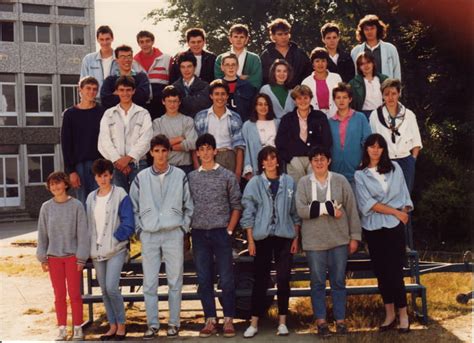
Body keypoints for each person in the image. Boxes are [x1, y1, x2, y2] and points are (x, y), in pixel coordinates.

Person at [129, 135, 194, 340]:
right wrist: (140, 230)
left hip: (173, 233)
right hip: (149, 235)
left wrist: (183, 228)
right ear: (151, 153)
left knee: (175, 280)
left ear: (169, 152)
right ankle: (153, 324)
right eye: (156, 151)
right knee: (150, 282)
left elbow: (188, 205)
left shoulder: (179, 175)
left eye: (164, 151)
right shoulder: (141, 177)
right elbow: (133, 207)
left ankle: (174, 323)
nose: (160, 155)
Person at [295, 146, 361, 336]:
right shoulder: (304, 183)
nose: (319, 162)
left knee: (338, 281)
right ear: (310, 162)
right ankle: (321, 322)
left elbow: (351, 209)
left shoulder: (340, 181)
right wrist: (328, 209)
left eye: (322, 158)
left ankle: (340, 321)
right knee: (317, 282)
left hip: (339, 240)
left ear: (329, 161)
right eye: (315, 159)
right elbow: (301, 211)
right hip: (314, 242)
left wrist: (355, 236)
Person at [354, 133, 413, 334]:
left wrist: (401, 214)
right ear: (366, 149)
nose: (375, 150)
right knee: (381, 272)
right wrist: (394, 211)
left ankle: (403, 315)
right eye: (371, 146)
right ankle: (389, 315)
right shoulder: (360, 174)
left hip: (394, 227)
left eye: (379, 147)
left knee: (396, 272)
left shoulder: (395, 168)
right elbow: (367, 204)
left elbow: (404, 195)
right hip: (373, 228)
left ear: (384, 149)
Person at [241, 146, 301, 338]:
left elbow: (295, 213)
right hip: (262, 237)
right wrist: (250, 240)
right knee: (260, 279)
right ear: (261, 163)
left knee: (283, 279)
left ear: (277, 161)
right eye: (265, 159)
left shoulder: (289, 182)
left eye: (272, 158)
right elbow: (248, 213)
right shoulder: (255, 183)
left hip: (284, 236)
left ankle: (282, 322)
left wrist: (295, 237)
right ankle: (254, 322)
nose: (269, 162)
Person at [188, 133, 242, 338]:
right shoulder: (192, 178)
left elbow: (236, 205)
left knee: (227, 278)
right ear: (198, 153)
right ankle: (210, 319)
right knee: (203, 279)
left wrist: (229, 230)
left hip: (221, 232)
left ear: (215, 151)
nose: (205, 152)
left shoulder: (227, 176)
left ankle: (228, 319)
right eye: (201, 149)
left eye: (209, 148)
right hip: (199, 233)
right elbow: (187, 205)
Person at [36, 171, 90, 341]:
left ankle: (77, 327)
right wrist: (42, 257)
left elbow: (83, 234)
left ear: (66, 184)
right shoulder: (46, 207)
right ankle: (61, 328)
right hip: (53, 258)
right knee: (59, 295)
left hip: (72, 257)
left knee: (74, 294)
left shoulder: (77, 206)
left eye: (58, 183)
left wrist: (82, 257)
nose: (55, 187)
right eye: (52, 184)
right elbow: (42, 235)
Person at [85, 159, 134, 341]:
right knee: (104, 289)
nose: (103, 179)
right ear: (95, 177)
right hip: (96, 250)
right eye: (99, 176)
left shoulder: (120, 194)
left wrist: (115, 239)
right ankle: (112, 326)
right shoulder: (90, 198)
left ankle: (121, 325)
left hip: (116, 249)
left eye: (106, 175)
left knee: (112, 287)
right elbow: (88, 224)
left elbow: (129, 222)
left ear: (111, 175)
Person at [98, 75, 153, 193]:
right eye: (121, 90)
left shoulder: (143, 113)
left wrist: (128, 159)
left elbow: (146, 139)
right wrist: (118, 160)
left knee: (139, 200)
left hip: (138, 164)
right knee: (119, 201)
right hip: (114, 165)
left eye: (128, 90)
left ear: (134, 91)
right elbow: (104, 140)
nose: (125, 93)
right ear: (116, 92)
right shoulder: (109, 114)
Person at [368, 78, 422, 193]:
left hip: (406, 161)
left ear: (399, 94)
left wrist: (412, 160)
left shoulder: (409, 114)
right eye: (387, 94)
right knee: (387, 196)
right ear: (382, 96)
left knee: (405, 197)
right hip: (385, 161)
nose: (390, 97)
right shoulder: (375, 115)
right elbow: (373, 142)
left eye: (393, 93)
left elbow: (416, 141)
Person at [275, 85, 332, 184]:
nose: (303, 101)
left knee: (315, 187)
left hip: (315, 159)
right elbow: (280, 142)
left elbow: (327, 140)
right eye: (299, 98)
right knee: (297, 190)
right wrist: (290, 159)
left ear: (310, 99)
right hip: (294, 160)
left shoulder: (320, 117)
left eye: (305, 98)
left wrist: (319, 158)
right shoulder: (287, 119)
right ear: (294, 101)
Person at [61, 76, 104, 206]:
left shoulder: (102, 111)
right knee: (83, 204)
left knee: (99, 202)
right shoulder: (70, 114)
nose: (91, 92)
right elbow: (66, 144)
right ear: (80, 89)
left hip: (99, 164)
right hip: (79, 166)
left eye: (95, 89)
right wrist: (71, 171)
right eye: (88, 88)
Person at [194, 80, 245, 179]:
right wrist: (197, 167)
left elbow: (240, 147)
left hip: (228, 157)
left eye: (223, 94)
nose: (220, 97)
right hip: (207, 157)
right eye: (216, 94)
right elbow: (194, 146)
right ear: (211, 96)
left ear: (227, 96)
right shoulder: (201, 117)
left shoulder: (235, 117)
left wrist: (238, 172)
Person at [328, 83, 371, 186]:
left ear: (350, 99)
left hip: (356, 168)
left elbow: (368, 141)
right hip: (336, 169)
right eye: (338, 97)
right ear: (334, 100)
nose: (341, 100)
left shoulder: (360, 118)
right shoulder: (329, 122)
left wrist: (364, 161)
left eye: (345, 97)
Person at [153, 85, 198, 174]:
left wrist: (169, 147)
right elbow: (157, 146)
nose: (172, 104)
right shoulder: (157, 123)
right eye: (169, 101)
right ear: (163, 102)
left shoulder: (187, 120)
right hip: (164, 167)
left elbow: (192, 143)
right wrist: (180, 138)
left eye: (175, 101)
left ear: (179, 102)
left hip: (185, 167)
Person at [260, 18, 312, 88]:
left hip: (298, 95)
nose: (283, 37)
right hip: (273, 94)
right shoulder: (266, 55)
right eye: (280, 34)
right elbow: (263, 79)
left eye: (286, 33)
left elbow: (308, 74)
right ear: (273, 36)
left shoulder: (299, 53)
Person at [134, 30, 173, 119]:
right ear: (138, 44)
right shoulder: (134, 62)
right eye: (141, 42)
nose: (145, 44)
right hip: (142, 104)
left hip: (162, 104)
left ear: (152, 42)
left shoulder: (166, 58)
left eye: (147, 41)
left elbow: (173, 81)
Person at [351, 14, 401, 80]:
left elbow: (397, 72)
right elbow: (354, 75)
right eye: (366, 29)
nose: (369, 31)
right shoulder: (355, 51)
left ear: (378, 29)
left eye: (372, 28)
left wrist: (396, 89)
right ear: (362, 32)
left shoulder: (390, 49)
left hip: (386, 88)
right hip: (365, 89)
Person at [242, 93, 279, 180]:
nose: (263, 107)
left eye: (266, 104)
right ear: (255, 106)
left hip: (275, 165)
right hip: (257, 167)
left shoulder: (277, 123)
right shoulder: (248, 125)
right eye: (260, 104)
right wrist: (248, 169)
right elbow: (246, 149)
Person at [101, 45, 150, 109]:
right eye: (122, 57)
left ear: (132, 58)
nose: (126, 60)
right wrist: (132, 93)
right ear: (116, 60)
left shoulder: (141, 77)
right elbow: (106, 100)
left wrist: (118, 94)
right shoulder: (109, 80)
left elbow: (143, 97)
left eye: (129, 56)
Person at [214, 24, 262, 89]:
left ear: (247, 39)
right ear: (230, 39)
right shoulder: (220, 58)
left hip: (247, 96)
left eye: (242, 37)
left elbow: (256, 82)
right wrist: (242, 79)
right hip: (225, 96)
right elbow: (218, 81)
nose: (238, 40)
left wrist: (232, 79)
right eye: (235, 37)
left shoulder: (254, 59)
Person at [302, 47, 342, 118]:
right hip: (314, 117)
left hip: (335, 115)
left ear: (327, 62)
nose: (320, 64)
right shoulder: (306, 82)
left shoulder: (336, 78)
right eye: (317, 61)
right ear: (312, 64)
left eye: (323, 61)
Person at [218, 52, 257, 122]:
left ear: (238, 66)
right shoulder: (216, 86)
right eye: (227, 65)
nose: (231, 67)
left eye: (233, 64)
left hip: (241, 124)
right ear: (222, 67)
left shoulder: (247, 86)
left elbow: (253, 110)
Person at [349, 51, 388, 118]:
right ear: (359, 67)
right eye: (362, 64)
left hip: (382, 113)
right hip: (364, 115)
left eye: (368, 62)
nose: (366, 66)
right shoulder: (353, 83)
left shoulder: (384, 79)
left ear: (373, 63)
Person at [171, 51, 211, 118]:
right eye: (183, 67)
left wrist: (180, 100)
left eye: (189, 66)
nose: (186, 70)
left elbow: (202, 105)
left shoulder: (205, 86)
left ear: (194, 67)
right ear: (179, 68)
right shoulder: (174, 87)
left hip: (199, 123)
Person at [80, 26, 117, 94]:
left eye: (107, 39)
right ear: (97, 40)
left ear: (112, 38)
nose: (105, 42)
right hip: (94, 99)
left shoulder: (120, 59)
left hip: (115, 99)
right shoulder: (88, 59)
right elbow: (83, 83)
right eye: (102, 39)